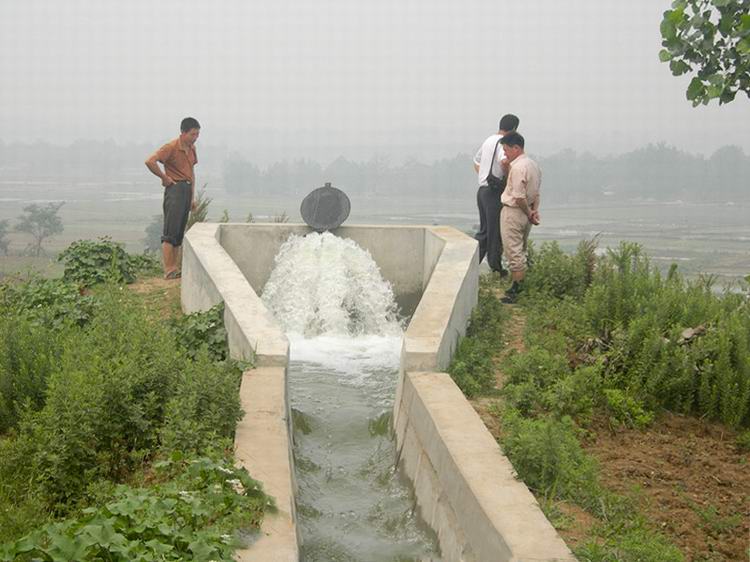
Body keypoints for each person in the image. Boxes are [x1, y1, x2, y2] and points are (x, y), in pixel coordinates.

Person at [145, 117, 200, 279]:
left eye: (197, 134)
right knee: (170, 231)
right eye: (192, 134)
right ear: (183, 132)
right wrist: (164, 177)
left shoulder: (192, 149)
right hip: (175, 189)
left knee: (179, 232)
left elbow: (191, 173)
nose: (195, 137)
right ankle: (168, 269)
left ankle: (174, 268)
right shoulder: (171, 147)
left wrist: (192, 197)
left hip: (186, 189)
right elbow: (150, 161)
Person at [473, 114, 519, 276]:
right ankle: (496, 268)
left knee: (484, 232)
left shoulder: (489, 140)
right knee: (494, 232)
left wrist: (484, 175)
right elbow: (504, 161)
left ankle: (471, 265)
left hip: (482, 190)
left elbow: (476, 161)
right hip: (493, 192)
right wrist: (508, 178)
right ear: (513, 129)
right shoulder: (503, 143)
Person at [498, 131, 541, 303]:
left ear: (516, 148)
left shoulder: (517, 168)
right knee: (521, 249)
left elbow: (518, 197)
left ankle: (517, 290)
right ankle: (518, 285)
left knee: (513, 251)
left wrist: (529, 212)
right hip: (526, 213)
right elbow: (536, 193)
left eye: (506, 150)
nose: (505, 154)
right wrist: (533, 212)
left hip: (514, 212)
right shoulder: (533, 165)